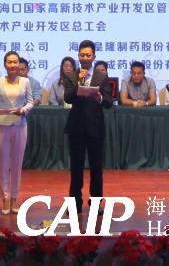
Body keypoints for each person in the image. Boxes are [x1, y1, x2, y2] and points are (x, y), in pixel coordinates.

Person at [64, 39, 114, 215]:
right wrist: (78, 82)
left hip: (95, 126)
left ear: (94, 56)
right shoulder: (72, 75)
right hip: (76, 126)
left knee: (96, 167)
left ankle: (96, 202)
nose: (85, 58)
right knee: (76, 167)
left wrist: (99, 97)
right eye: (82, 55)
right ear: (78, 56)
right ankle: (74, 202)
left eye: (88, 55)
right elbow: (68, 98)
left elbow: (109, 101)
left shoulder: (102, 76)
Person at [0, 51, 35, 214]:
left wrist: (23, 110)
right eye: (9, 62)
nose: (12, 65)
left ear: (19, 64)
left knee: (17, 164)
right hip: (1, 125)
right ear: (5, 64)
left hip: (20, 124)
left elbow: (30, 102)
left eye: (15, 62)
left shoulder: (25, 81)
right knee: (3, 164)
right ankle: (5, 198)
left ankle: (14, 198)